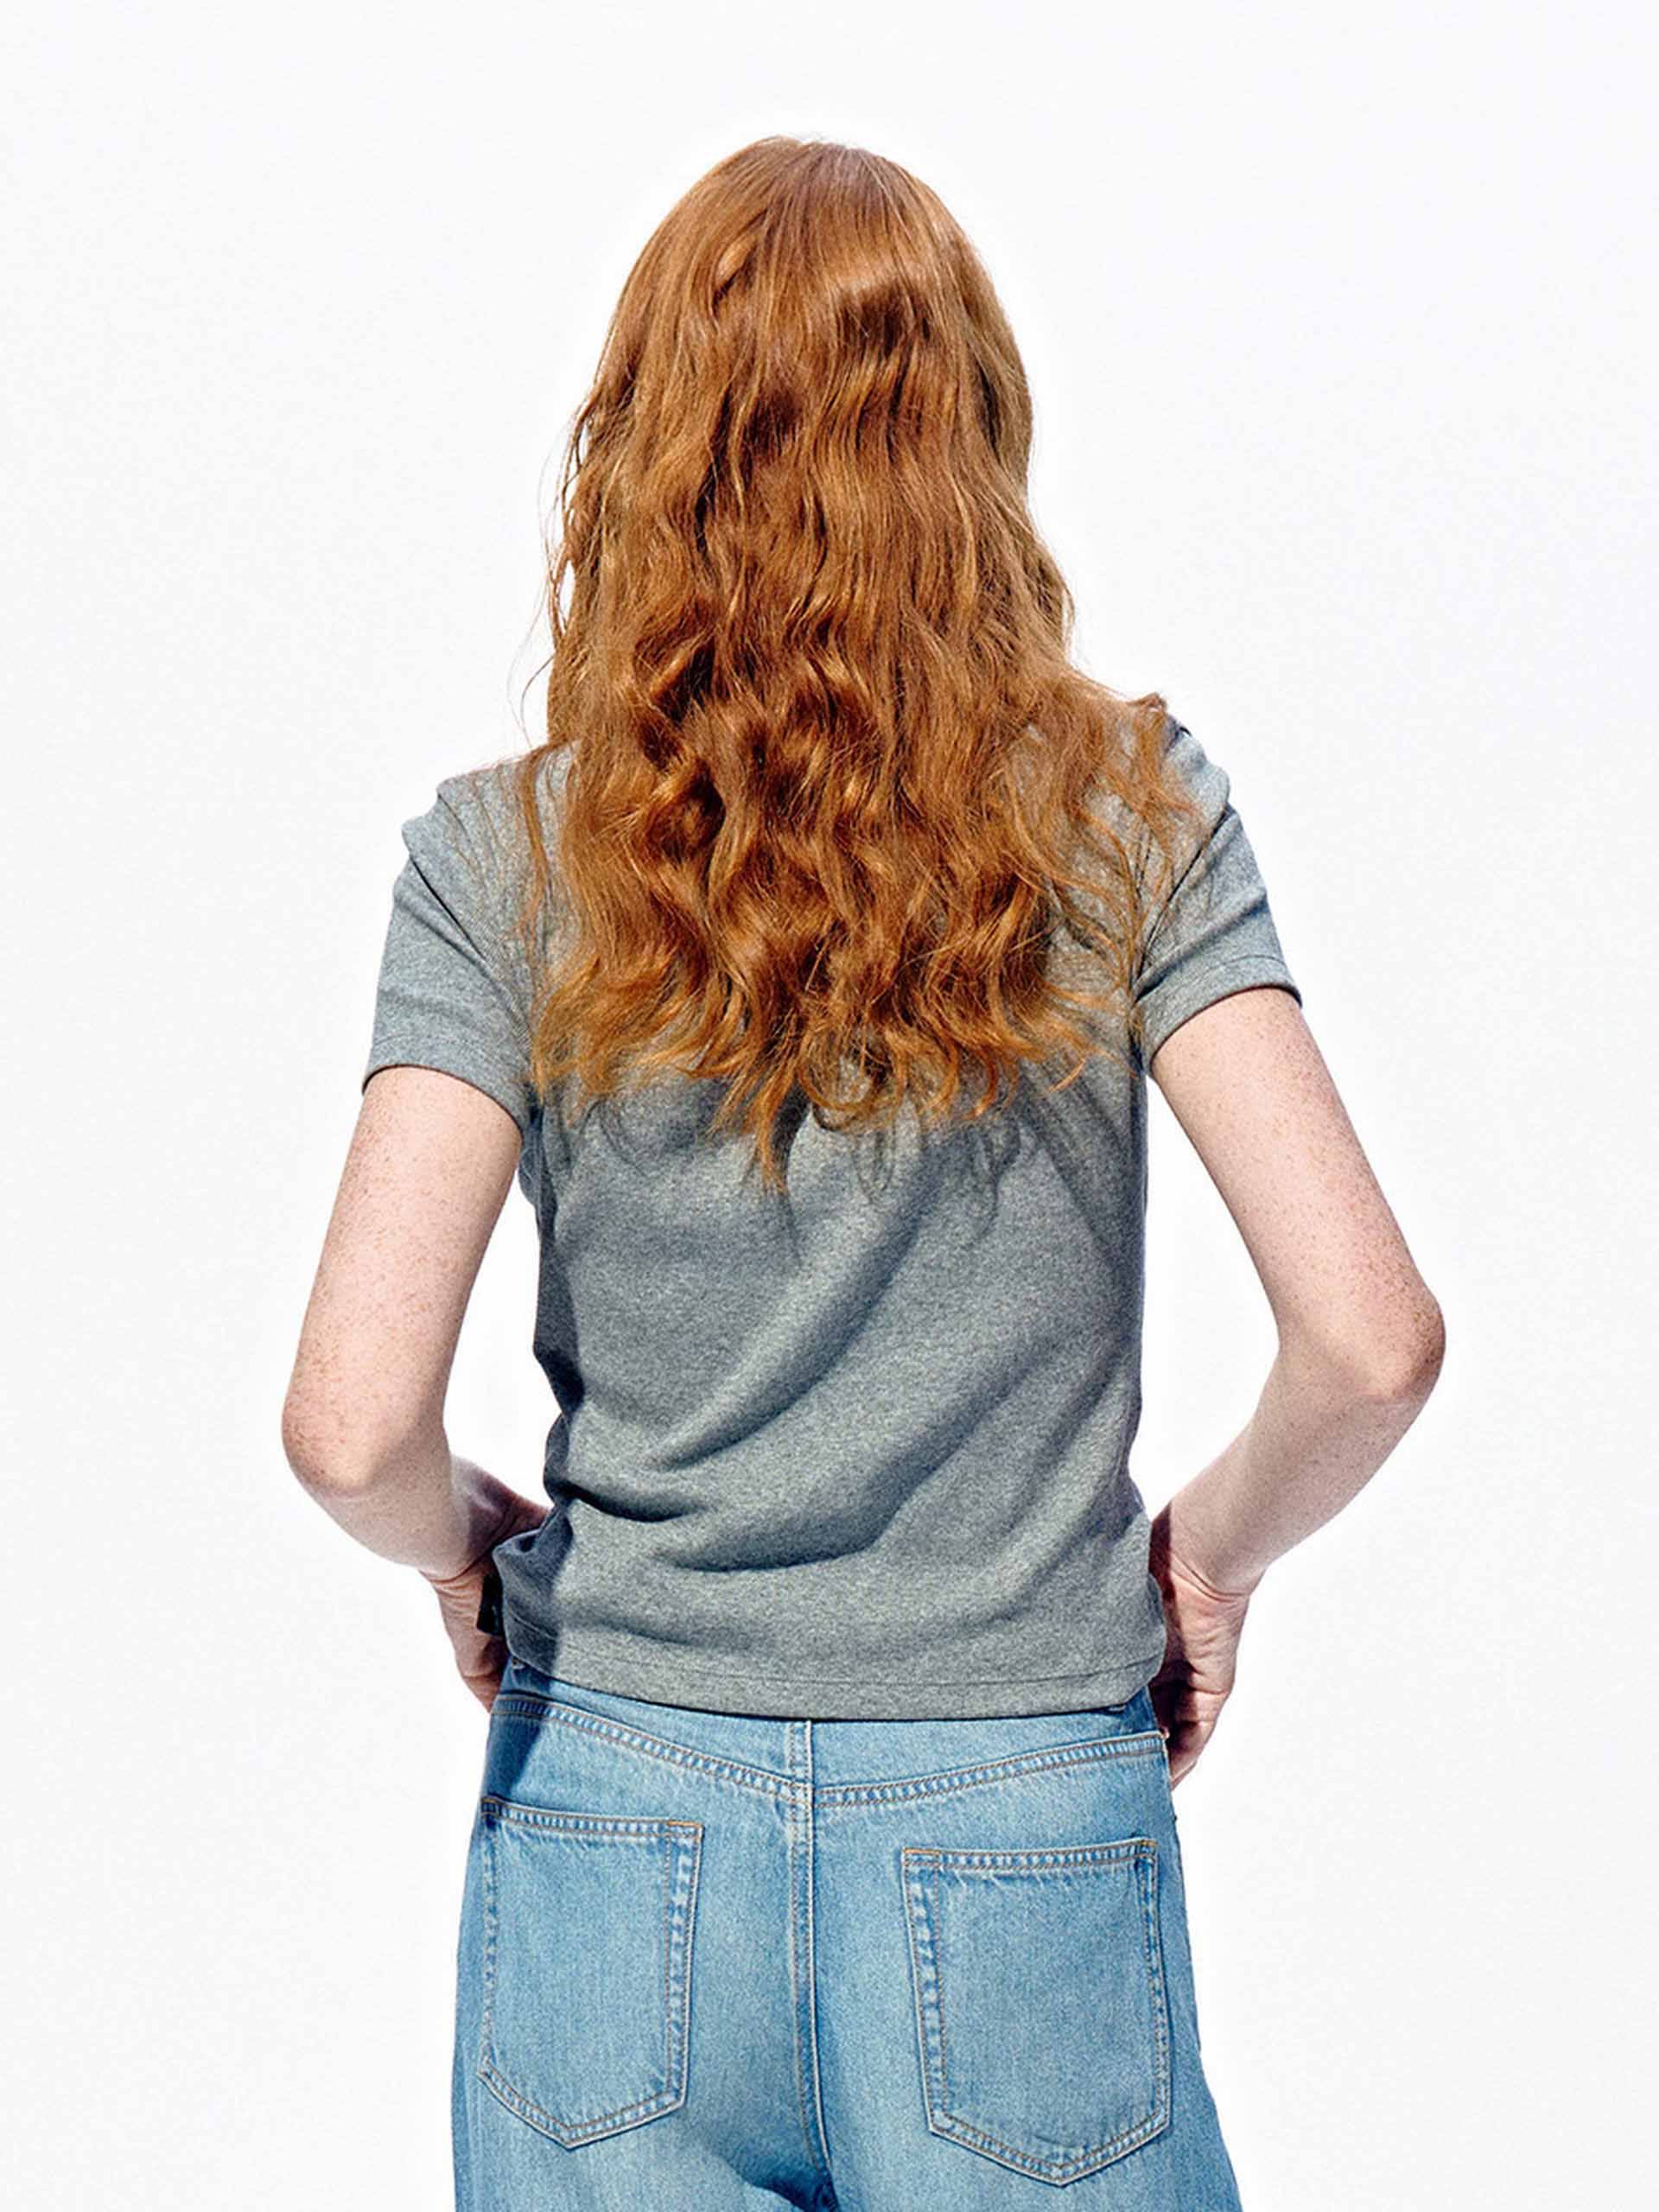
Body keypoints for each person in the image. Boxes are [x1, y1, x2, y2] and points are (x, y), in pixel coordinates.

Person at [283, 136, 1444, 2212]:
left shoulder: (502, 862)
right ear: (972, 437)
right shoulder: (1131, 817)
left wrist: (462, 1546)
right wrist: (1205, 1564)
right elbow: (1369, 1340)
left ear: (645, 446)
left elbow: (349, 1421)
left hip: (612, 1818)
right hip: (1021, 1812)